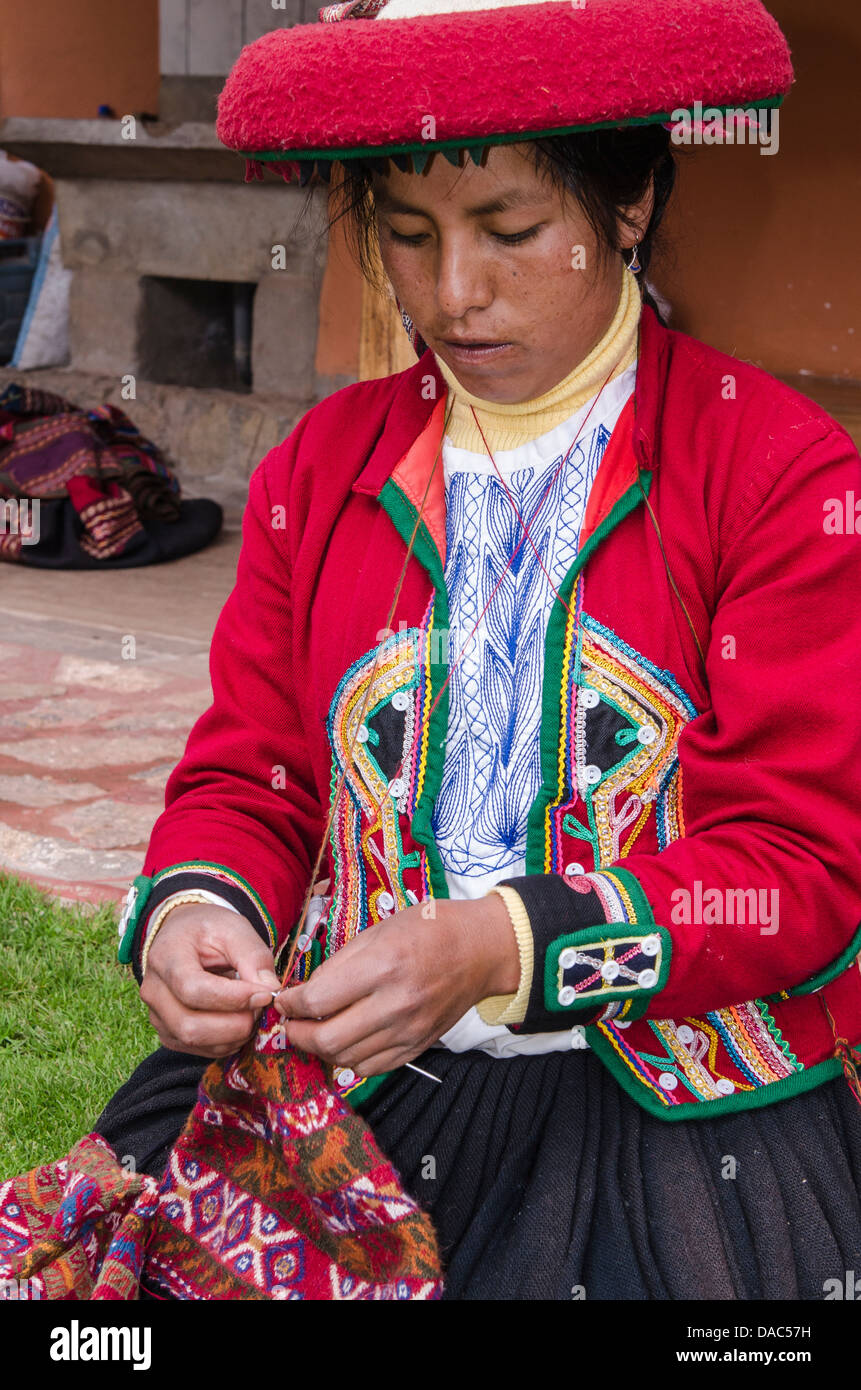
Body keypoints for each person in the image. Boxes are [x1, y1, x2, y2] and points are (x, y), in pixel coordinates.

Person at [99, 0, 861, 1299]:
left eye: (509, 231)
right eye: (406, 235)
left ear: (626, 206)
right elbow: (255, 773)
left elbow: (796, 865)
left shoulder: (778, 476)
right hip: (359, 1060)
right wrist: (200, 908)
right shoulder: (321, 467)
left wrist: (502, 944)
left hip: (666, 1090)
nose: (451, 293)